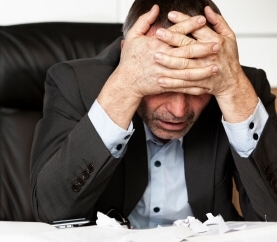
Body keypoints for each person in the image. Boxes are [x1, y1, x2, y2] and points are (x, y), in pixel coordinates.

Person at [30, 0, 277, 229]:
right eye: (162, 84)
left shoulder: (239, 86)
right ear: (128, 58)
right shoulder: (75, 83)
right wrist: (124, 86)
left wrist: (233, 90)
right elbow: (51, 211)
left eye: (197, 87)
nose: (178, 111)